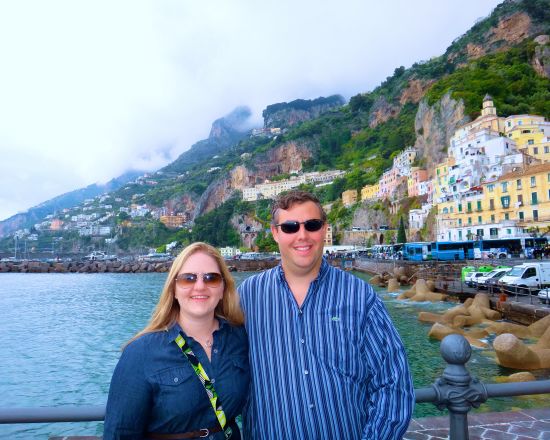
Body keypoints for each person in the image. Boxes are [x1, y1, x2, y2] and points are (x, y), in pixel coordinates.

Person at [238, 190, 414, 439]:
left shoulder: (359, 296)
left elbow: (393, 382)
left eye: (312, 225)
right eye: (290, 227)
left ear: (324, 229)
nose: (302, 235)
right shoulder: (248, 296)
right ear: (275, 233)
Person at [104, 242, 249, 440]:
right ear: (173, 289)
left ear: (223, 288)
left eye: (211, 278)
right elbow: (120, 433)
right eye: (188, 278)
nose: (200, 286)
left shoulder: (239, 338)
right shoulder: (140, 353)